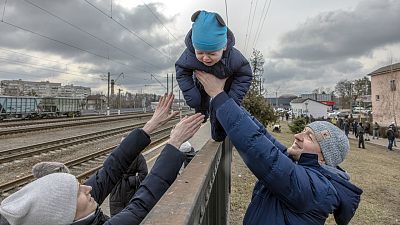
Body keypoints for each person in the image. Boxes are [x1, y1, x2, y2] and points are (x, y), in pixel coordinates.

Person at [0, 93, 205, 225]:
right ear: (65, 216)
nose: (88, 188)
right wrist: (173, 144)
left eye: (79, 184)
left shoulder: (77, 212)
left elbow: (109, 170)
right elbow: (142, 203)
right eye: (78, 192)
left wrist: (149, 127)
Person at [196, 72, 362, 225]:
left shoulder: (317, 189)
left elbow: (259, 150)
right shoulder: (301, 169)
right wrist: (225, 96)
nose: (298, 136)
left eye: (309, 137)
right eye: (303, 131)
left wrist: (218, 96)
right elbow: (259, 134)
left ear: (324, 156)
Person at [175, 10, 252, 142]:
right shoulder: (190, 55)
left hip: (225, 86)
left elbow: (245, 75)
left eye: (212, 54)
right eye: (200, 52)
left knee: (221, 109)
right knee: (198, 101)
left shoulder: (233, 58)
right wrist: (191, 94)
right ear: (194, 47)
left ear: (223, 47)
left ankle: (218, 136)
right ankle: (201, 113)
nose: (205, 58)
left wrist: (232, 99)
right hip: (200, 82)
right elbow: (181, 70)